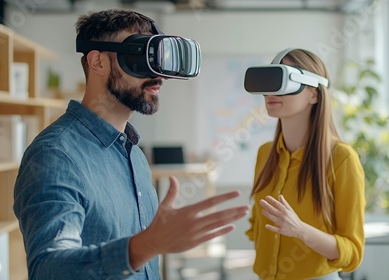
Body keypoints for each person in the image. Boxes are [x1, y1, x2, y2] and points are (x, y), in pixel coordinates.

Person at [13, 9, 248, 280]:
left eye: (158, 61)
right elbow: (49, 269)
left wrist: (152, 242)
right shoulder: (55, 156)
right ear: (97, 62)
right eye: (139, 57)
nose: (158, 77)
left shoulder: (133, 154)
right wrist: (147, 244)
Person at [244, 48, 365, 280]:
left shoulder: (342, 159)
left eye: (284, 81)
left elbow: (353, 253)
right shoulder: (265, 154)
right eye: (270, 81)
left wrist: (300, 231)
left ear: (314, 94)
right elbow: (257, 226)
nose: (272, 92)